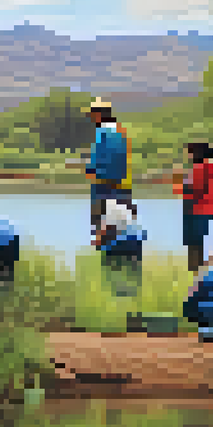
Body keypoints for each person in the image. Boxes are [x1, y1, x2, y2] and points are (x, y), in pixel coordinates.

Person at [84, 99, 132, 244]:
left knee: (101, 222)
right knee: (118, 222)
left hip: (103, 183)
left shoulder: (103, 132)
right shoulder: (120, 131)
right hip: (120, 184)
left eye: (93, 114)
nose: (91, 118)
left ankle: (103, 249)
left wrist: (90, 170)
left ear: (99, 114)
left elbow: (99, 158)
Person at [174, 142, 213, 272]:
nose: (189, 155)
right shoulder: (208, 168)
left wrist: (182, 184)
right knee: (197, 241)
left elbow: (195, 189)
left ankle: (195, 268)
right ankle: (197, 268)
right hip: (203, 210)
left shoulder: (200, 169)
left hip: (196, 209)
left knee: (194, 241)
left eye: (191, 152)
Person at [96, 198, 146, 298]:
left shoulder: (109, 208)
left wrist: (100, 245)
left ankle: (118, 290)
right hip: (135, 242)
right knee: (133, 268)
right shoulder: (127, 207)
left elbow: (104, 230)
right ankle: (134, 290)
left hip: (123, 243)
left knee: (111, 264)